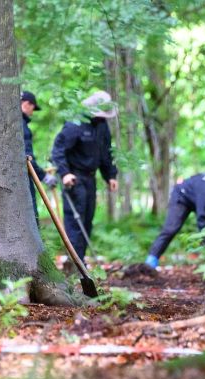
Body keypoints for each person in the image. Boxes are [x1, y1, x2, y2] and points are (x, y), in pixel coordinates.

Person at [50, 91, 119, 262]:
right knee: (76, 222)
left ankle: (80, 261)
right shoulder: (75, 124)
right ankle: (77, 265)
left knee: (87, 221)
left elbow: (105, 152)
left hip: (91, 178)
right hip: (74, 179)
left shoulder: (102, 126)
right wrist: (65, 173)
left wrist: (110, 175)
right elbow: (58, 151)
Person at [20, 91, 57, 222]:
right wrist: (44, 176)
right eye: (33, 108)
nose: (32, 112)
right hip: (22, 178)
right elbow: (27, 158)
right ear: (26, 104)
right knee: (31, 215)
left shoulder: (14, 123)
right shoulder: (21, 126)